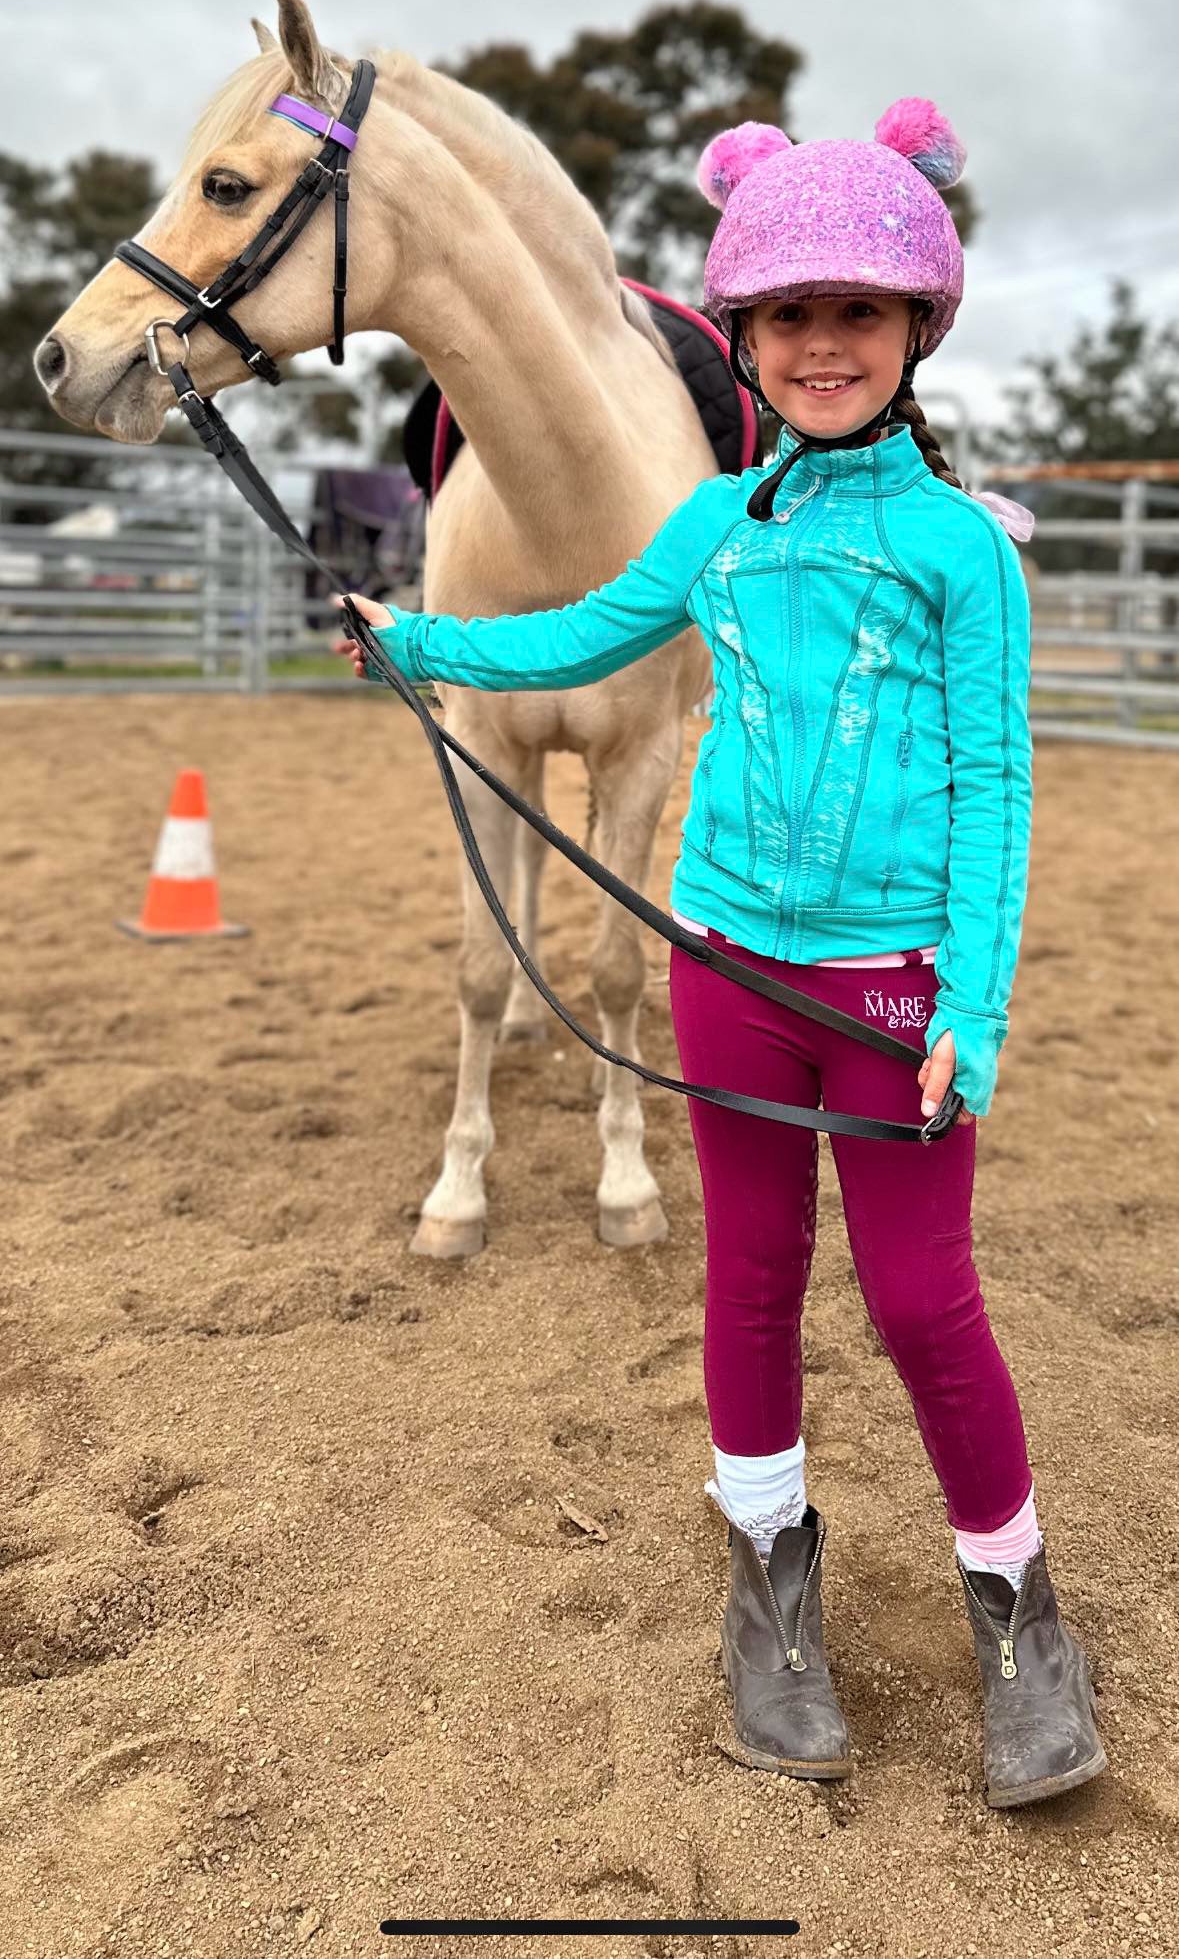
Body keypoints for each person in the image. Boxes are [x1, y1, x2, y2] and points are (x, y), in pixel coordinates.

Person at [335, 98, 1105, 1810]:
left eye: (858, 313)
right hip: (725, 970)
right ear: (746, 340)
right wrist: (415, 637)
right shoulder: (719, 527)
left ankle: (1017, 1604)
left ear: (915, 331)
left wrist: (967, 1006)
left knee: (924, 1306)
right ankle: (771, 1575)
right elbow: (576, 638)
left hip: (892, 992)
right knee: (747, 1283)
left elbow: (998, 790)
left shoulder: (964, 552)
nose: (822, 344)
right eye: (788, 316)